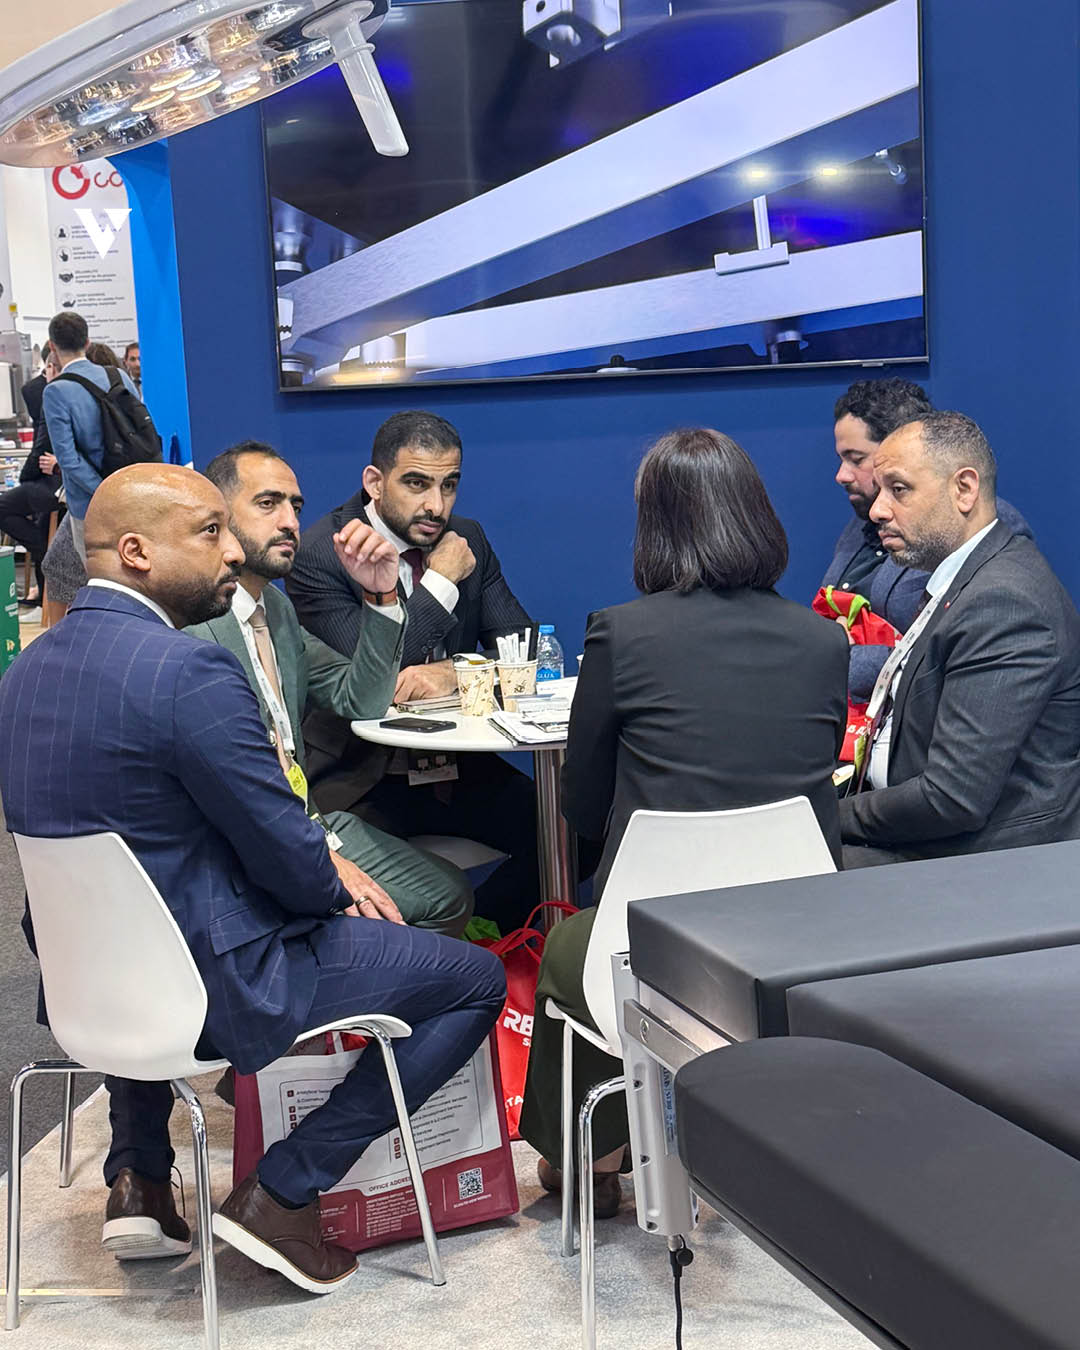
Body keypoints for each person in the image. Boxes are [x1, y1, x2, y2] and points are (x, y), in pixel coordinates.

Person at [0, 463, 504, 1293]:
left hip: (85, 983)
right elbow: (294, 862)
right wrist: (332, 900)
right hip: (215, 982)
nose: (231, 551)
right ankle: (284, 1191)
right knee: (474, 980)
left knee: (173, 904)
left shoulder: (25, 672)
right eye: (209, 533)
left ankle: (140, 1177)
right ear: (137, 552)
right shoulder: (187, 673)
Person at [519, 428, 848, 1216]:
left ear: (655, 527)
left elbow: (581, 805)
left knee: (572, 948)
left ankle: (590, 1160)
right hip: (798, 943)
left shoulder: (621, 632)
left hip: (656, 942)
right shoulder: (823, 640)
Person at [197, 440, 473, 937]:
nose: (290, 522)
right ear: (218, 518)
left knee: (449, 896)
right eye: (268, 504)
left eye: (295, 507)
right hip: (253, 843)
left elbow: (361, 699)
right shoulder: (196, 622)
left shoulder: (276, 609)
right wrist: (314, 856)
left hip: (309, 820)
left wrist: (381, 597)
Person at [286, 410, 547, 931]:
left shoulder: (466, 538)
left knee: (577, 833)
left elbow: (524, 649)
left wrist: (455, 671)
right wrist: (442, 582)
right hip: (364, 778)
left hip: (459, 770)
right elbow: (376, 678)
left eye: (449, 485)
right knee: (373, 898)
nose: (436, 505)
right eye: (416, 484)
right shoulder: (322, 553)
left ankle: (485, 933)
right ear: (374, 482)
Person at [841, 412, 1080, 867]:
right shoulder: (971, 577)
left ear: (964, 489)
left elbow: (951, 799)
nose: (877, 511)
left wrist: (831, 816)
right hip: (930, 836)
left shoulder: (1005, 602)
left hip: (981, 864)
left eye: (899, 489)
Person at [825, 378, 1031, 700]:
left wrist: (835, 656)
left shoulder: (979, 530)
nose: (841, 475)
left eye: (856, 458)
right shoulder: (861, 521)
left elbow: (941, 658)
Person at [40, 333, 140, 613]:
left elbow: (69, 457)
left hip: (90, 499)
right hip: (127, 489)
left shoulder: (60, 391)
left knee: (91, 574)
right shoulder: (120, 380)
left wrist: (102, 490)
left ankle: (68, 635)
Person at [3, 346, 61, 613]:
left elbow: (42, 445)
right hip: (60, 482)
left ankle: (44, 552)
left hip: (55, 484)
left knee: (6, 507)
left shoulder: (52, 395)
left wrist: (27, 477)